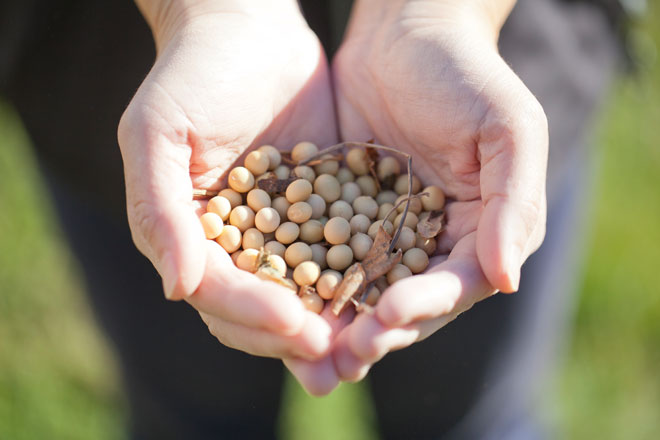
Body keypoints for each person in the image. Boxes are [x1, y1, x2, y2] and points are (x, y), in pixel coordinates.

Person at [0, 0, 622, 438]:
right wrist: (208, 10)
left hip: (470, 113)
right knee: (189, 415)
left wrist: (437, 13)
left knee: (478, 416)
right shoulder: (266, 200)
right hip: (130, 78)